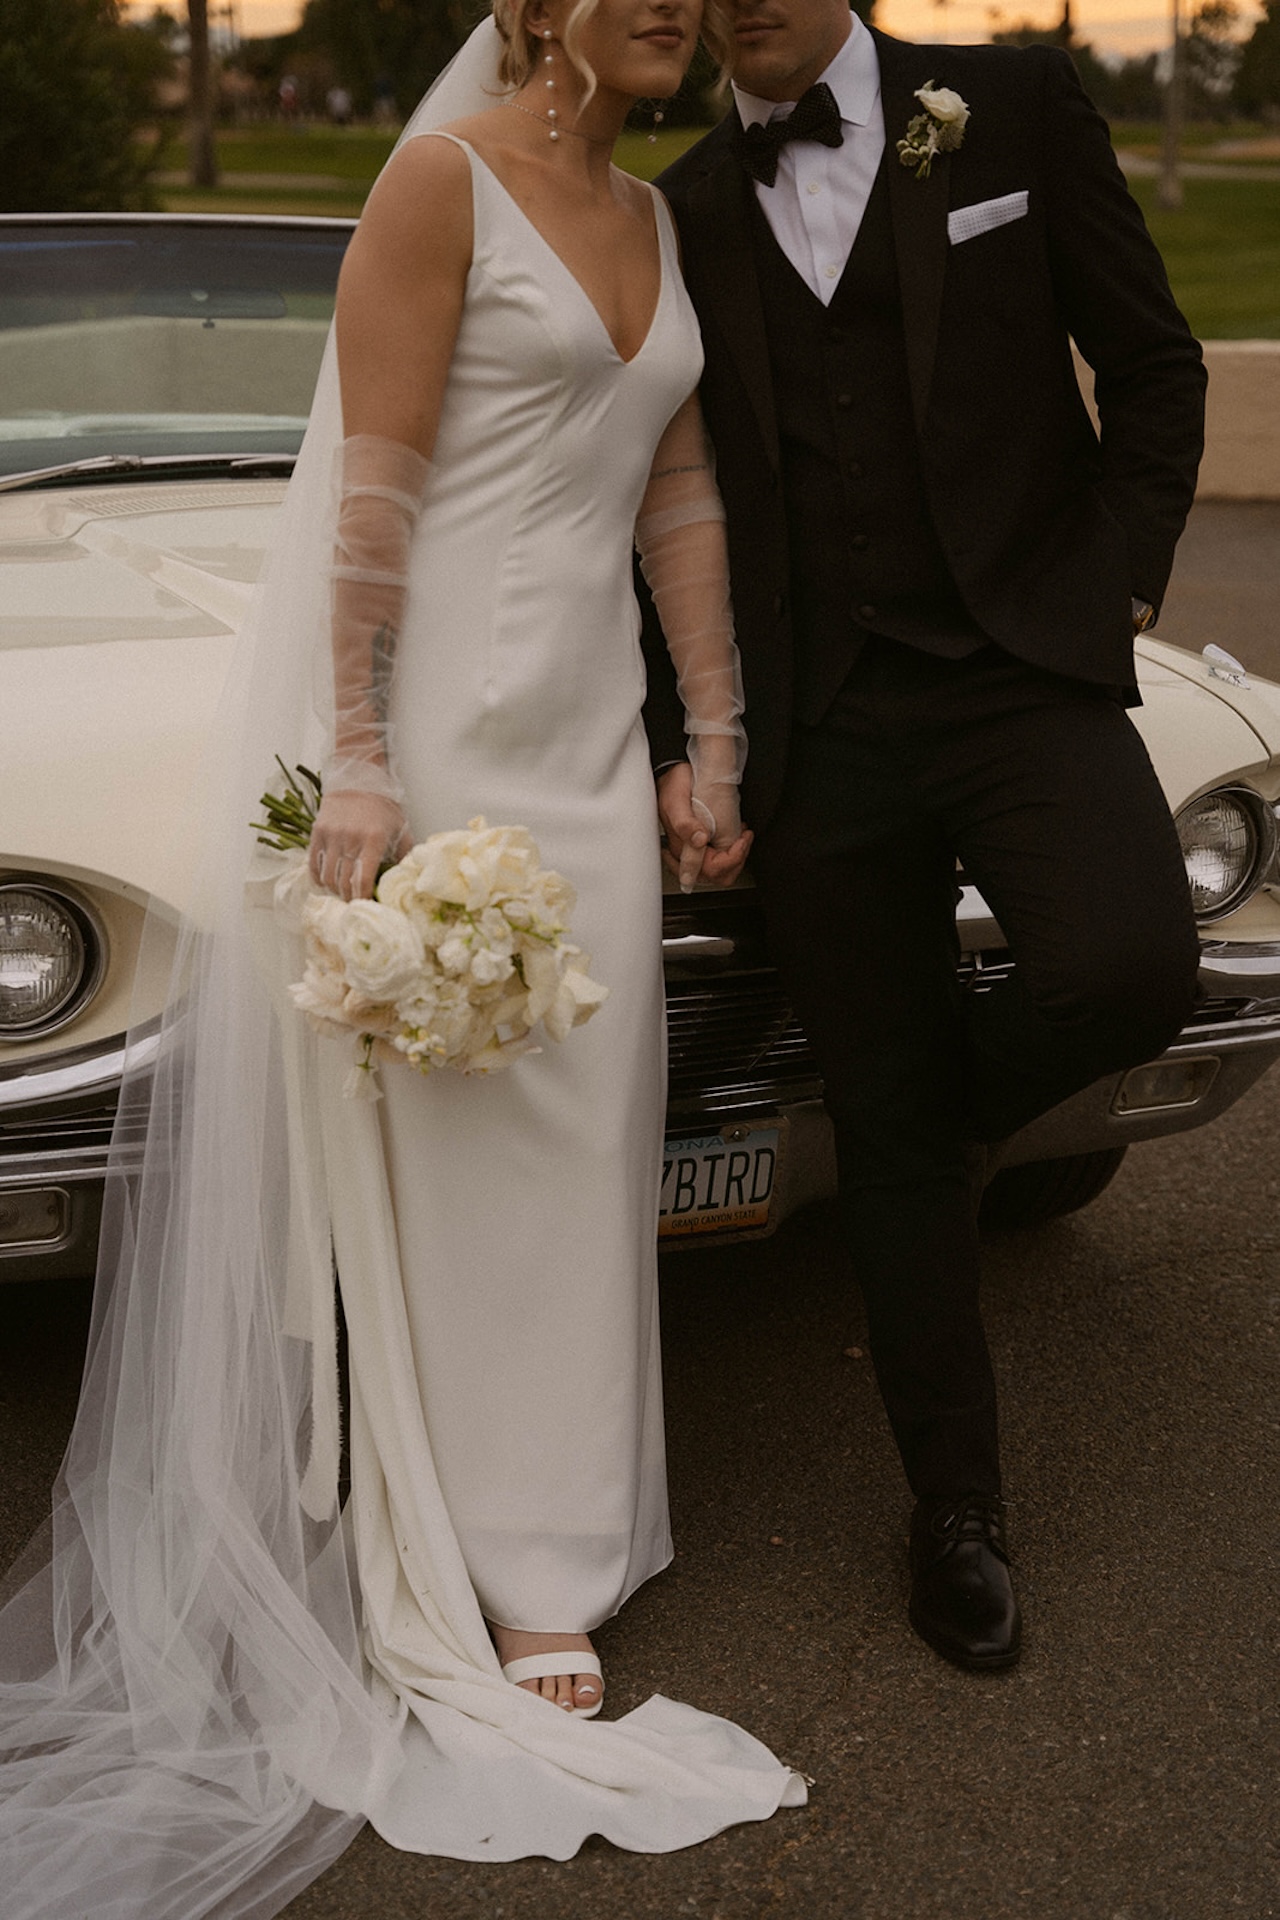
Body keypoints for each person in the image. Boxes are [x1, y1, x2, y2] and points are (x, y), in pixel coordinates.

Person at [0, 8, 802, 1916]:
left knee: (584, 1138)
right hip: (441, 736)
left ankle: (577, 1527)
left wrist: (717, 737)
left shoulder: (654, 219)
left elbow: (674, 494)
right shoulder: (436, 185)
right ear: (534, 6)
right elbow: (372, 489)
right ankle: (491, 1564)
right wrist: (360, 759)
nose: (668, 10)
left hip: (595, 765)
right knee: (457, 1158)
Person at [643, 0, 1206, 1672]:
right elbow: (655, 490)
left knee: (1128, 966)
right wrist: (701, 739)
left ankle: (945, 1124)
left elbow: (1156, 363)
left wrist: (1115, 577)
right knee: (882, 1119)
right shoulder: (675, 206)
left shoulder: (1015, 105)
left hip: (1022, 670)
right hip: (822, 726)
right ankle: (954, 1510)